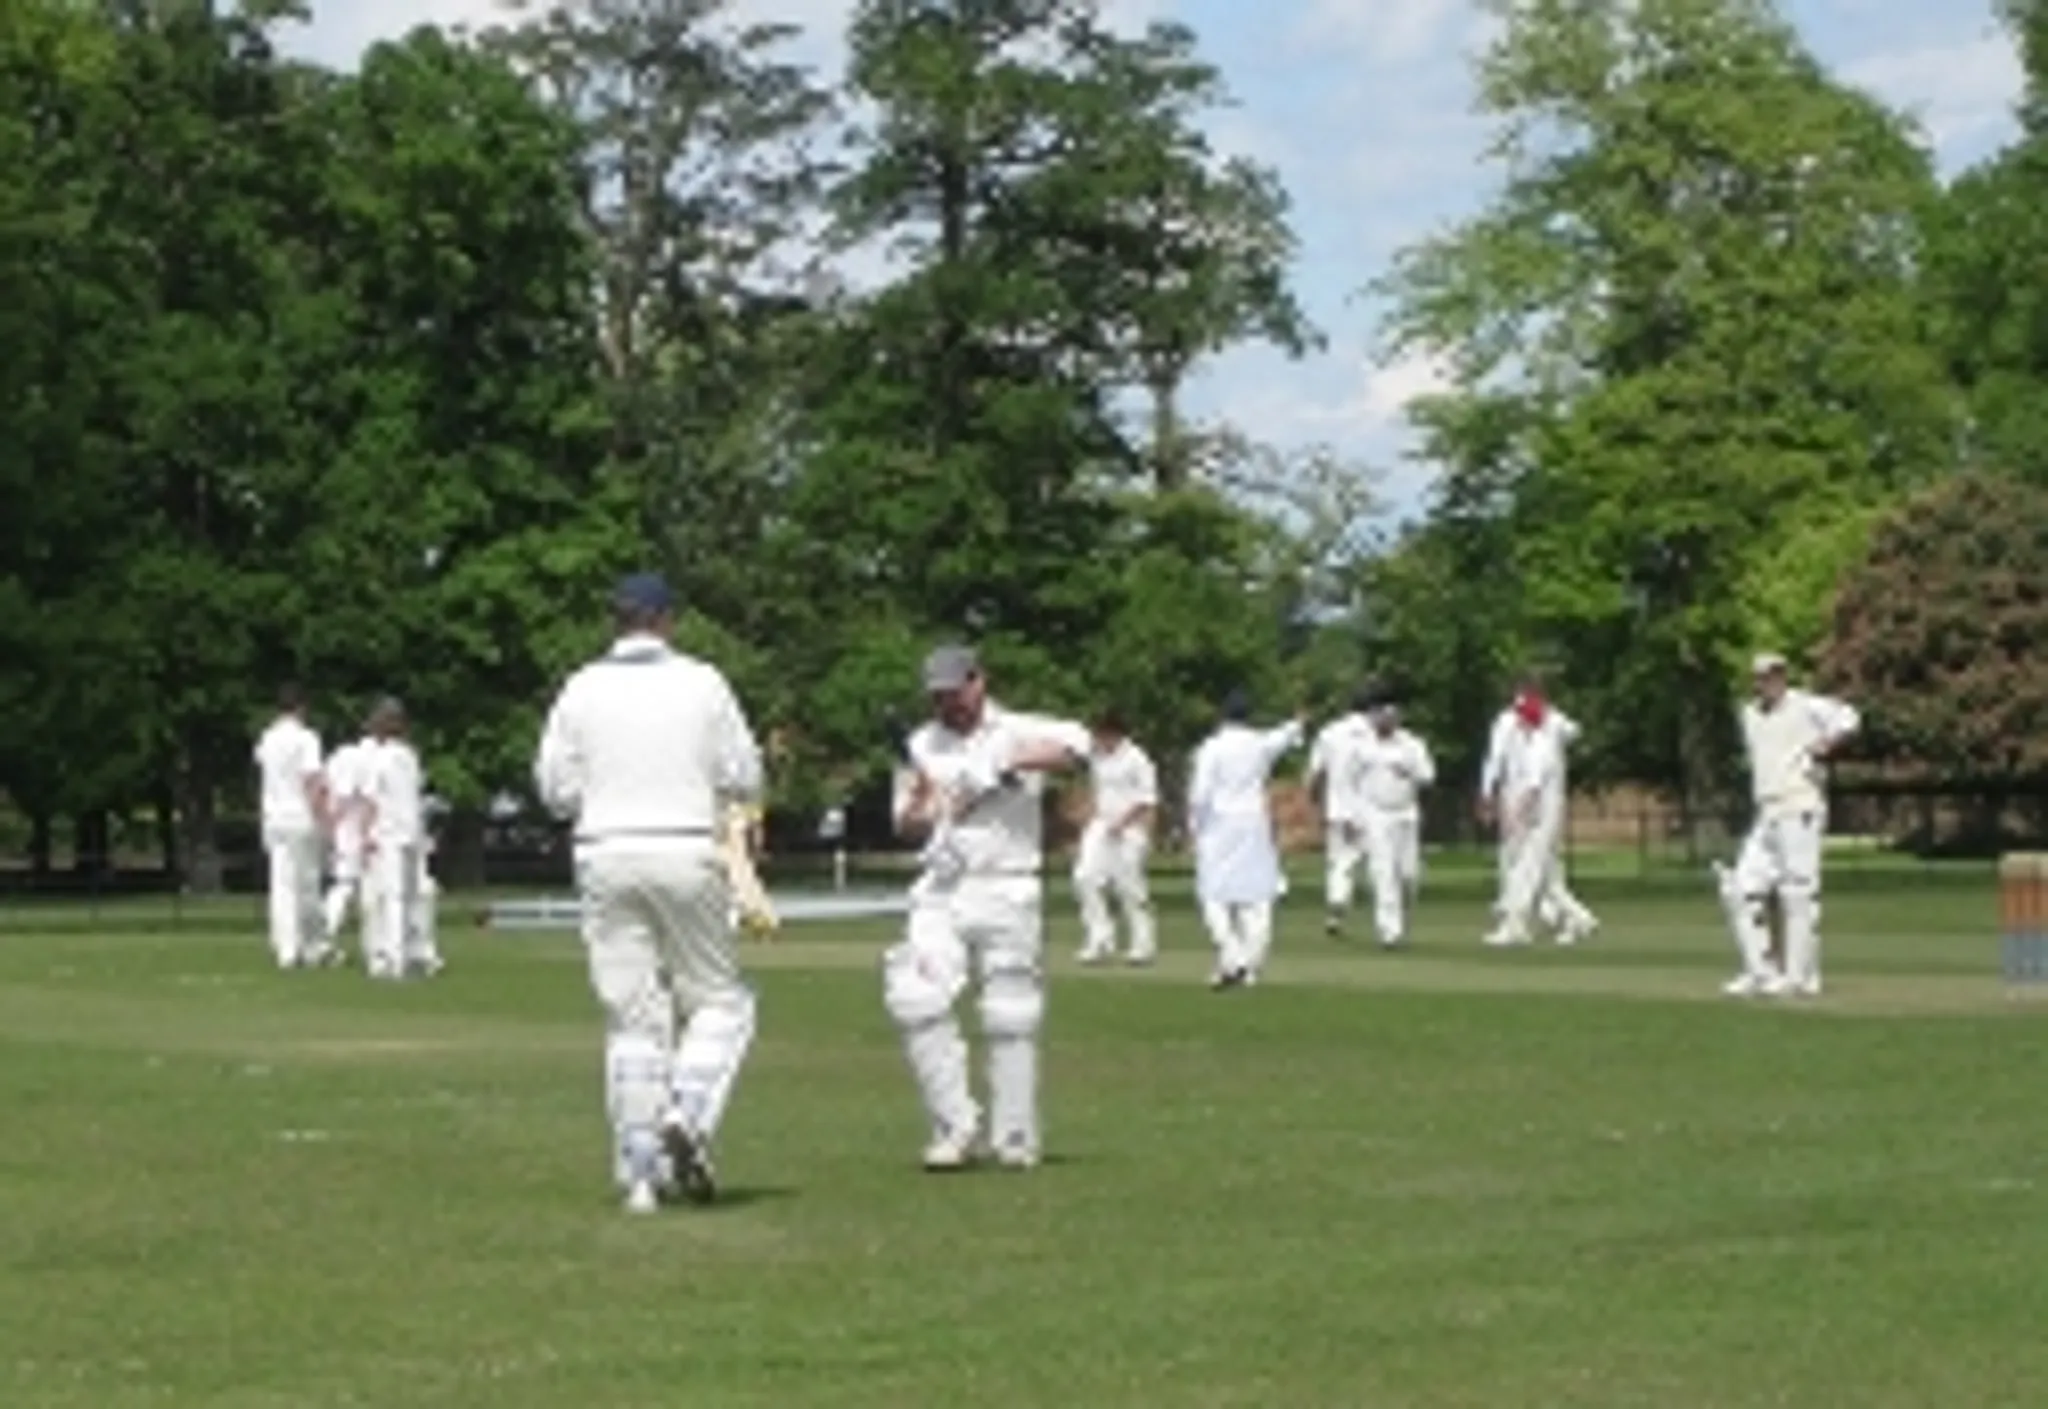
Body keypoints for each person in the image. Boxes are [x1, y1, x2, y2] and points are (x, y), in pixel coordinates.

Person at [534, 572, 765, 1212]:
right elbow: (743, 771)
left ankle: (641, 1173)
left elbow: (554, 789)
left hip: (603, 851)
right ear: (667, 619)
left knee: (633, 1015)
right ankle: (687, 1113)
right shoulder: (703, 681)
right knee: (721, 1001)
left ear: (617, 619)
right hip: (686, 846)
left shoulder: (580, 688)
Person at [884, 644, 1089, 1172]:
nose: (946, 705)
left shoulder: (1015, 729)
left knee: (1011, 1013)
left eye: (954, 692)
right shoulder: (920, 743)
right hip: (942, 886)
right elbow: (907, 826)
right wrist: (922, 806)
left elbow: (1077, 750)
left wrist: (1001, 761)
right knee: (914, 998)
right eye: (937, 696)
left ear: (978, 682)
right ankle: (955, 1126)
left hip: (1007, 885)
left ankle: (1015, 1135)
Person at [1718, 653, 1860, 998]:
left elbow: (1850, 717)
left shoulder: (1806, 705)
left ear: (1783, 677)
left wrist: (1825, 744)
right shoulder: (1749, 714)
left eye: (1771, 676)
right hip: (1767, 811)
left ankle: (1800, 977)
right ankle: (1760, 971)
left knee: (1797, 892)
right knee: (1738, 889)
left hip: (1800, 807)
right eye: (1759, 677)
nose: (1764, 683)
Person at [1188, 690, 1305, 989]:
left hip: (1220, 822)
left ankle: (1233, 957)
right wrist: (1297, 723)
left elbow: (1200, 794)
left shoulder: (1211, 748)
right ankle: (1249, 966)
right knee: (1257, 898)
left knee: (1213, 894)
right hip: (1254, 821)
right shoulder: (1258, 744)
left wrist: (1194, 827)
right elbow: (1280, 738)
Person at [1478, 675, 1597, 946]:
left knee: (1528, 866)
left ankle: (1514, 924)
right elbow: (1497, 761)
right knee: (1544, 870)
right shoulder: (1522, 730)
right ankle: (1579, 918)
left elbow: (1533, 786)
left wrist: (1514, 813)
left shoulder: (1544, 740)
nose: (1518, 719)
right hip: (1528, 801)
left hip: (1542, 806)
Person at [1347, 688, 1436, 947]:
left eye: (1390, 715)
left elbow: (1428, 776)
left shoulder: (1412, 745)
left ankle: (1401, 920)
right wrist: (1353, 817)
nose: (1384, 721)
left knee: (1408, 875)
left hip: (1406, 813)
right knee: (1382, 871)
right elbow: (1350, 784)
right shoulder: (1362, 747)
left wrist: (1408, 771)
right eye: (1379, 716)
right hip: (1376, 814)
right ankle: (1389, 931)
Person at [1071, 710, 1158, 966]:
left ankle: (1143, 945)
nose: (1098, 739)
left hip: (1131, 828)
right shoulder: (1097, 756)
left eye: (1102, 734)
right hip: (1102, 824)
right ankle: (1100, 939)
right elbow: (1098, 790)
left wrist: (1124, 822)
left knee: (1128, 887)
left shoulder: (1137, 758)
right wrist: (1091, 816)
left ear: (1116, 733)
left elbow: (1147, 798)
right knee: (1084, 877)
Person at [253, 684, 327, 970]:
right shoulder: (306, 738)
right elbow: (311, 779)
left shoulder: (267, 738)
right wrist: (322, 816)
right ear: (302, 708)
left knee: (281, 885)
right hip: (300, 816)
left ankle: (286, 948)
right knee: (307, 883)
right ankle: (311, 946)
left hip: (274, 818)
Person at [358, 698, 426, 981]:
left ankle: (394, 957)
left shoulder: (381, 758)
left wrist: (364, 833)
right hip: (412, 830)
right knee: (409, 896)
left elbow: (371, 799)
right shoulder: (410, 756)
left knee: (391, 897)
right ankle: (410, 953)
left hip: (388, 832)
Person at [1305, 690, 1372, 937]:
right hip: (1374, 810)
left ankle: (1336, 908)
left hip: (1339, 809)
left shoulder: (1329, 732)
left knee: (1341, 863)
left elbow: (1314, 773)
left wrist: (1313, 801)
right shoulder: (1379, 734)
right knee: (1381, 864)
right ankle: (1387, 920)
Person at [319, 719, 375, 958]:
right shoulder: (360, 756)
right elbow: (345, 795)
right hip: (354, 827)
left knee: (349, 885)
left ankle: (328, 937)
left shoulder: (336, 757)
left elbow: (325, 791)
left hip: (347, 827)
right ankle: (325, 937)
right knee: (347, 885)